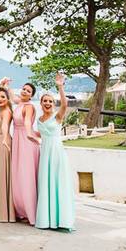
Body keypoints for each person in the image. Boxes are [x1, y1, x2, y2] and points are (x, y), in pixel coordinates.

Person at [35, 73, 74, 231]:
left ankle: (60, 219)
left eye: (50, 101)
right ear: (41, 103)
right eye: (45, 101)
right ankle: (46, 220)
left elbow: (65, 104)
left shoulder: (57, 117)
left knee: (57, 183)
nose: (48, 103)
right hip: (45, 153)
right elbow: (41, 134)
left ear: (53, 103)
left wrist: (60, 87)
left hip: (56, 153)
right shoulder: (39, 120)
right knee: (45, 183)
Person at [11, 80, 40, 225]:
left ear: (31, 96)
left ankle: (30, 211)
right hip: (17, 140)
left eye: (28, 91)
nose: (24, 91)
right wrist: (5, 85)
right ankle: (20, 210)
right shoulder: (19, 103)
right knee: (17, 175)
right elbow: (11, 97)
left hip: (26, 141)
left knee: (25, 175)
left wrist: (29, 133)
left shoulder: (29, 107)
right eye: (23, 89)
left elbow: (27, 121)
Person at [0, 79, 15, 223]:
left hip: (3, 144)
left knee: (2, 177)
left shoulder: (6, 112)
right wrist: (2, 86)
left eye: (3, 97)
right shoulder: (1, 110)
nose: (0, 99)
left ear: (7, 99)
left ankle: (4, 212)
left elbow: (5, 125)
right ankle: (2, 210)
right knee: (0, 177)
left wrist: (5, 138)